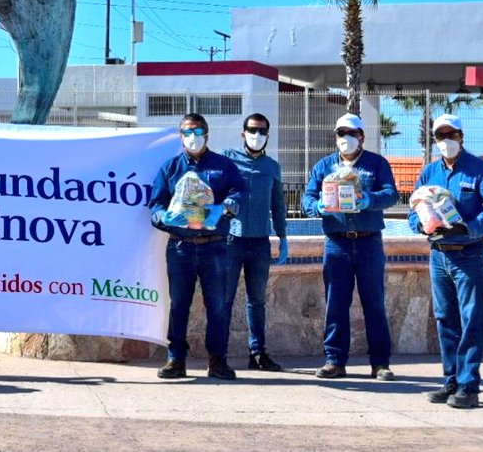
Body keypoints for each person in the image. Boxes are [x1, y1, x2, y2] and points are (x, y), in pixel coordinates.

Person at [408, 114, 483, 410]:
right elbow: (413, 210)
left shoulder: (479, 170)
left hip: (469, 254)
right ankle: (450, 380)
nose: (446, 141)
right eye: (440, 136)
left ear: (462, 137)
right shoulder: (428, 173)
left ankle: (469, 385)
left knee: (471, 319)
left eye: (451, 135)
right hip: (438, 255)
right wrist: (423, 224)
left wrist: (470, 227)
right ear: (434, 140)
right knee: (445, 319)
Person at [148, 113, 246, 380]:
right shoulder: (170, 168)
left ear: (207, 134)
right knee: (179, 305)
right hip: (180, 247)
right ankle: (175, 360)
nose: (193, 136)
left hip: (215, 248)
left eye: (198, 131)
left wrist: (227, 207)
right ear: (180, 136)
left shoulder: (224, 166)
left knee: (218, 306)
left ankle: (217, 361)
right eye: (187, 132)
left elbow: (239, 192)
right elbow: (155, 202)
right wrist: (162, 217)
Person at [302, 113, 398, 381]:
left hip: (369, 242)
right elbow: (307, 198)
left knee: (374, 303)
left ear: (362, 136)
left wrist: (368, 199)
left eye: (352, 133)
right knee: (336, 303)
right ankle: (334, 360)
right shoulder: (323, 167)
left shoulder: (376, 164)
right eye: (341, 133)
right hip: (337, 243)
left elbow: (391, 194)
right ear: (335, 137)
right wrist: (318, 207)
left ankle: (380, 363)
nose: (346, 138)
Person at [222, 112, 288, 372]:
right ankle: (219, 353)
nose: (256, 135)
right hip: (231, 240)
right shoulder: (228, 159)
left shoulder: (272, 167)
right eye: (252, 130)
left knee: (257, 300)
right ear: (243, 133)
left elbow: (278, 205)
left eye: (262, 131)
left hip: (259, 241)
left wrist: (283, 237)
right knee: (223, 299)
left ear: (267, 136)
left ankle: (258, 353)